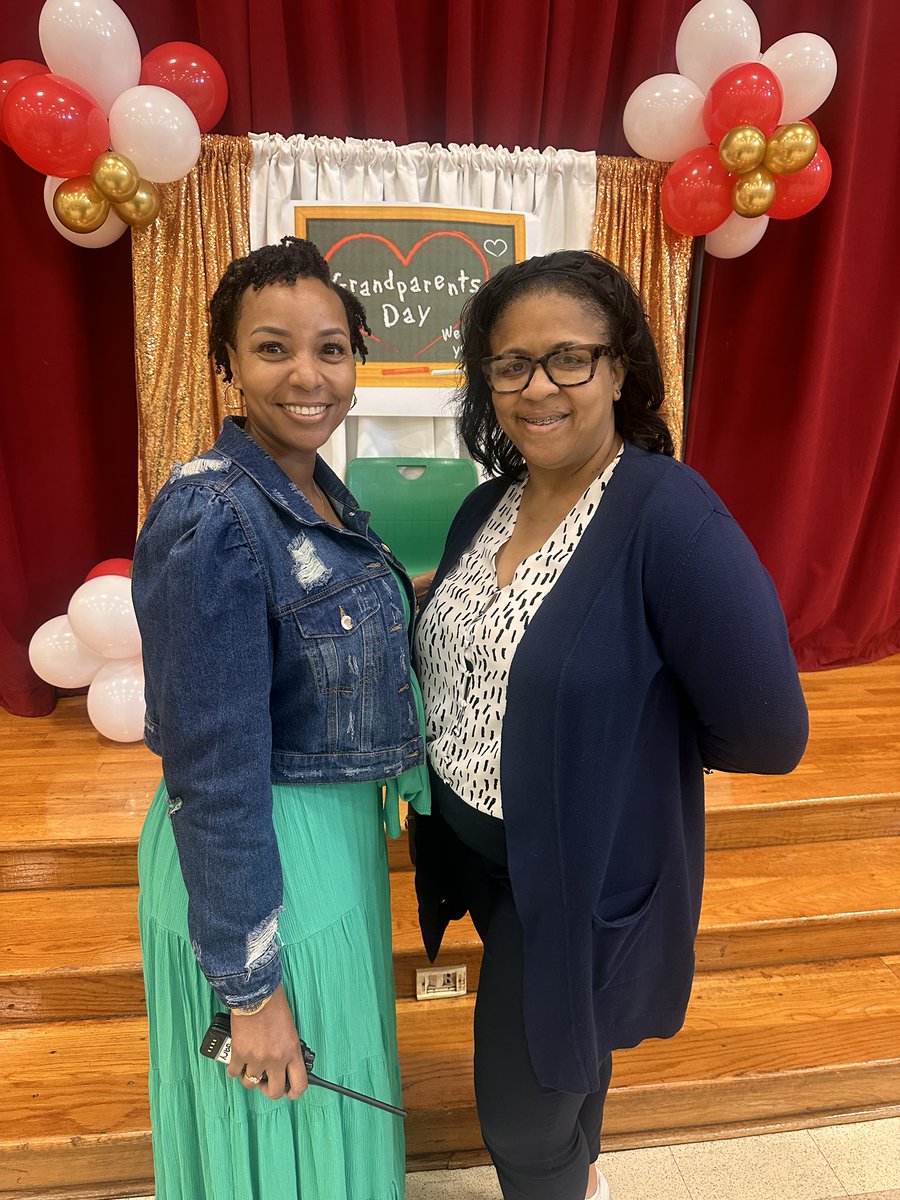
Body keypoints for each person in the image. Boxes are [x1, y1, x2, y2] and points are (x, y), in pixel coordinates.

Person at [411, 249, 809, 1200]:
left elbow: (769, 731)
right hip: (487, 862)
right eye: (510, 365)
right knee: (565, 1073)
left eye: (568, 359)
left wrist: (627, 747)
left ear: (621, 369)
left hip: (579, 879)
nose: (536, 386)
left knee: (520, 1112)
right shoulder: (485, 509)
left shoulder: (666, 514)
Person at [132, 235, 429, 1200]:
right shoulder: (214, 515)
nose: (309, 375)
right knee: (280, 1116)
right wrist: (251, 990)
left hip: (328, 843)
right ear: (225, 366)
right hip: (258, 858)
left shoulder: (317, 492)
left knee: (322, 1120)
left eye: (332, 348)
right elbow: (214, 770)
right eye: (273, 348)